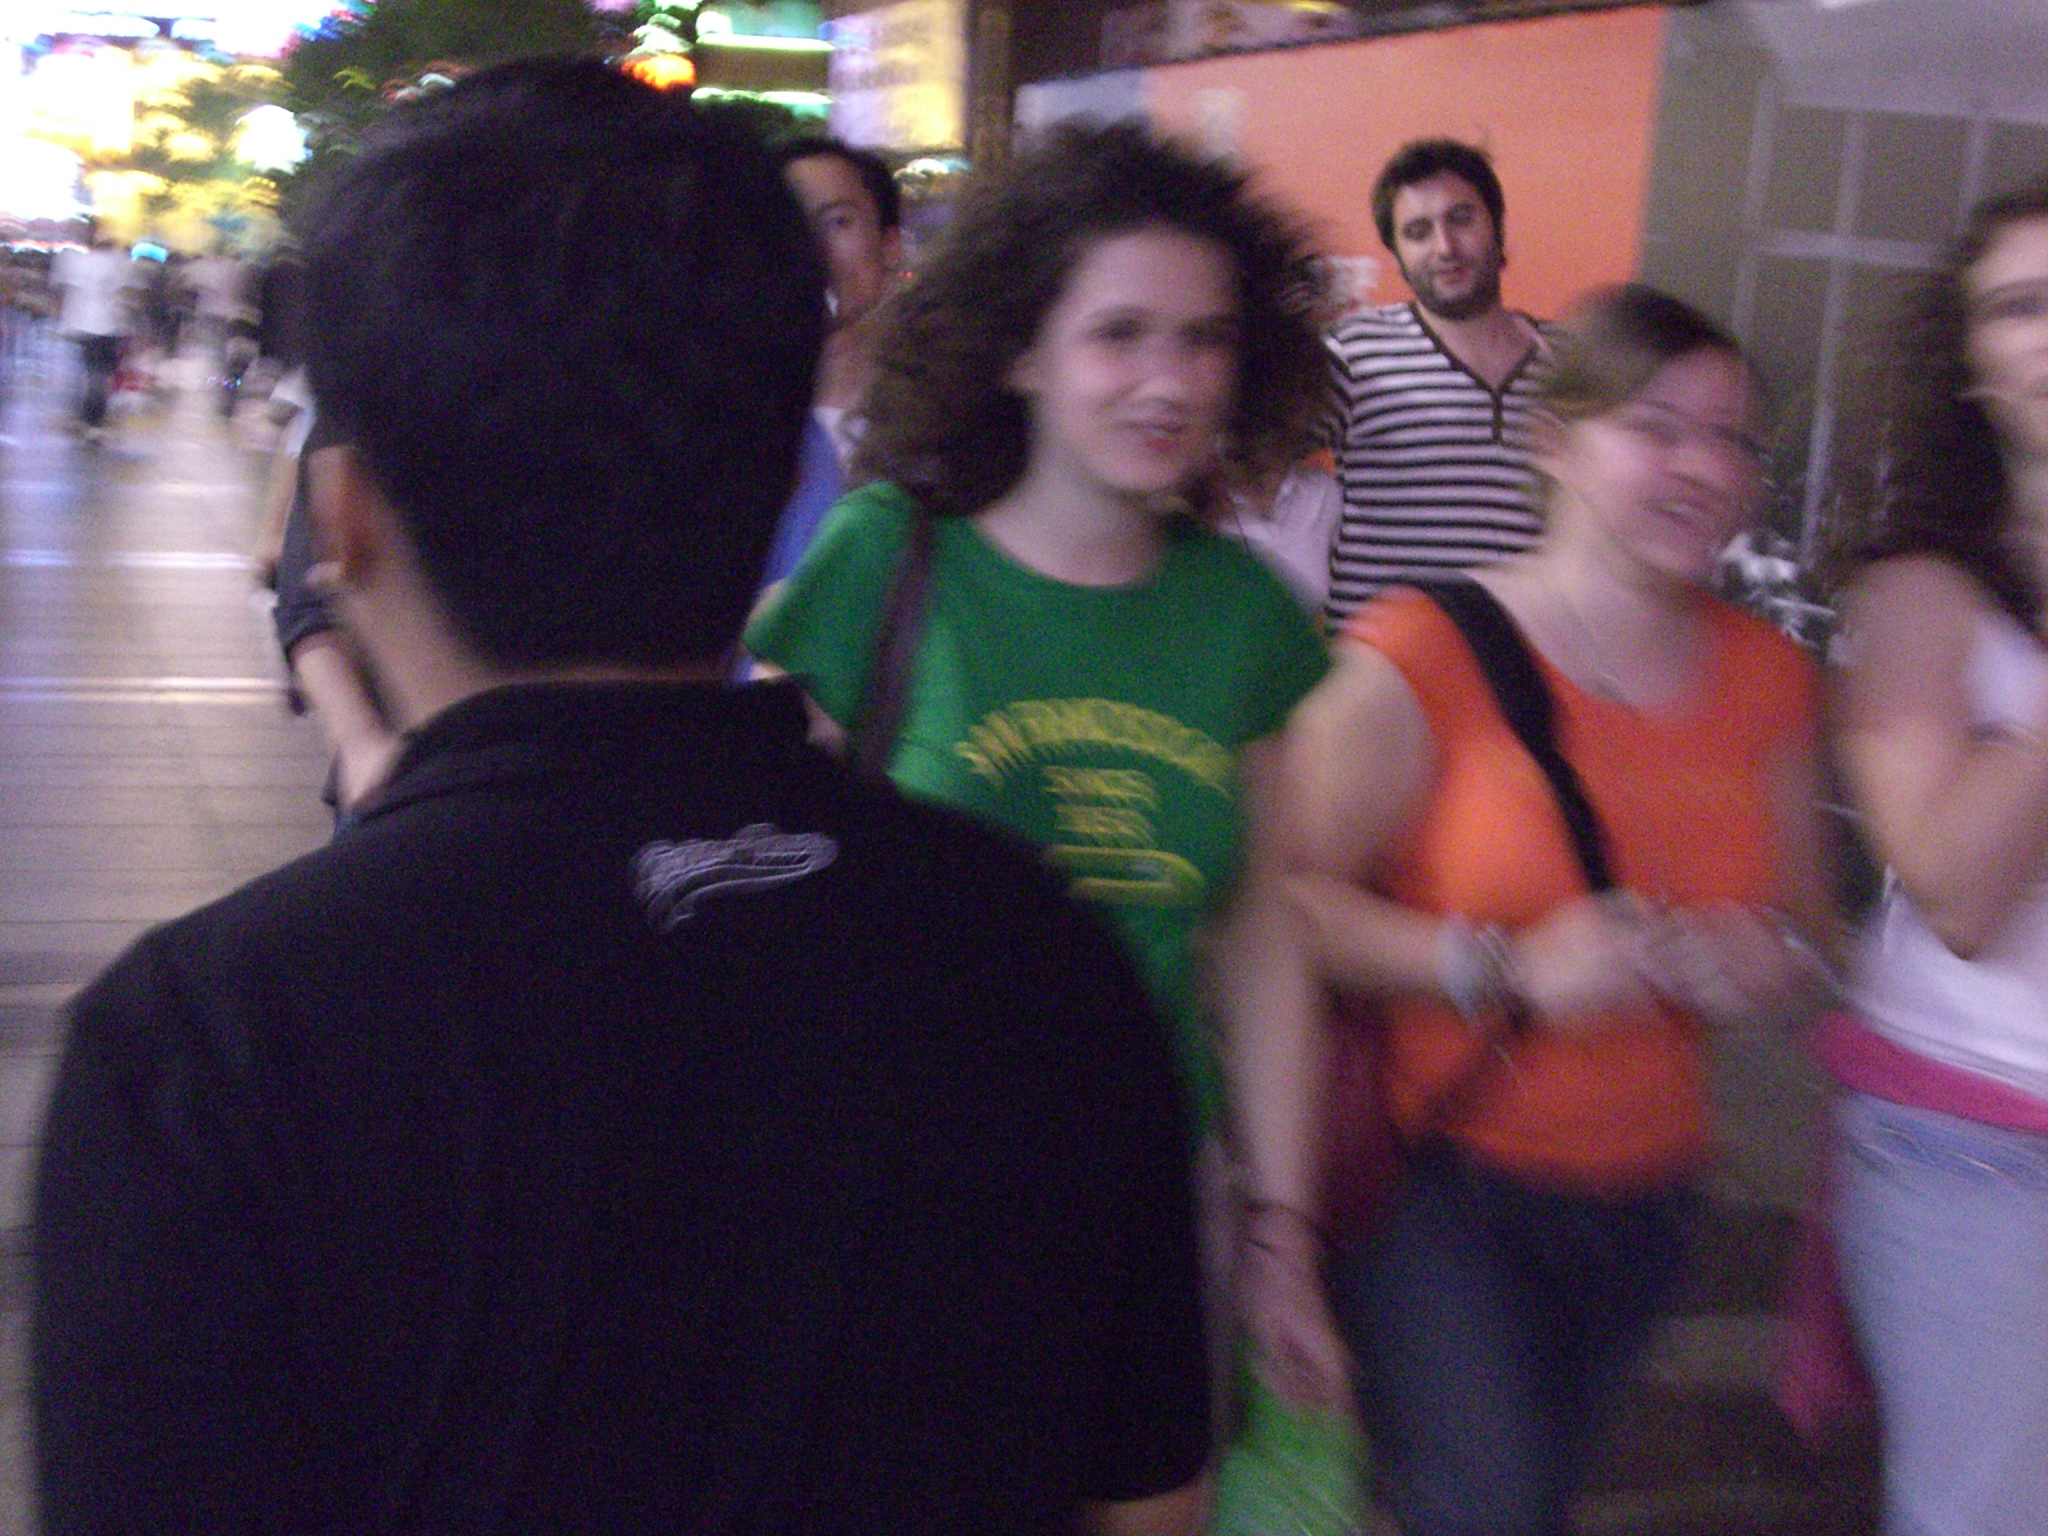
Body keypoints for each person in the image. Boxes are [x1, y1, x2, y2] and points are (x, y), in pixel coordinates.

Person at [32, 59, 1210, 1535]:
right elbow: (1150, 1504)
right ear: (776, 478)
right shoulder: (1041, 960)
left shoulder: (206, 1048)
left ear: (346, 520)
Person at [744, 119, 1351, 1416]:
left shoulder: (1245, 615)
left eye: (1204, 339)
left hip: (1143, 1186)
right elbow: (763, 869)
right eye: (1118, 334)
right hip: (901, 1187)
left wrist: (1280, 1229)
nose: (1169, 382)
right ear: (1020, 348)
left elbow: (1258, 932)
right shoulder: (886, 556)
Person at [1279, 283, 1835, 1536]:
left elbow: (1813, 928)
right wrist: (1500, 965)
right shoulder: (1422, 651)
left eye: (1732, 440)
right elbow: (1276, 908)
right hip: (1442, 1187)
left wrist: (1772, 959)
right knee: (1487, 1506)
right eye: (1656, 428)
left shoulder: (1768, 676)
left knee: (1528, 1497)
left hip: (1653, 1195)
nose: (1703, 468)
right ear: (1551, 443)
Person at [1827, 177, 2048, 1536]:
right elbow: (1957, 893)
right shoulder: (1922, 592)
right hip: (1985, 1152)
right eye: (2020, 307)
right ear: (1968, 365)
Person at [1323, 138, 1551, 626]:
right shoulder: (1352, 352)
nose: (1445, 247)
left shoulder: (1568, 361)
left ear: (1497, 228)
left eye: (1461, 218)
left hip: (1524, 657)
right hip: (1385, 664)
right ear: (1397, 255)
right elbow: (1255, 449)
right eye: (1417, 232)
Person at [757, 137, 904, 589]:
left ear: (889, 246)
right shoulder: (730, 422)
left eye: (838, 222)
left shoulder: (938, 417)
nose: (814, 251)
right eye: (790, 225)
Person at [49, 224, 135, 436]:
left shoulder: (76, 261)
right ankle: (94, 419)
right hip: (109, 326)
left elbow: (62, 291)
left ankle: (84, 416)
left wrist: (61, 317)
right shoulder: (119, 263)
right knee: (100, 375)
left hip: (81, 325)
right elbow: (126, 295)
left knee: (86, 372)